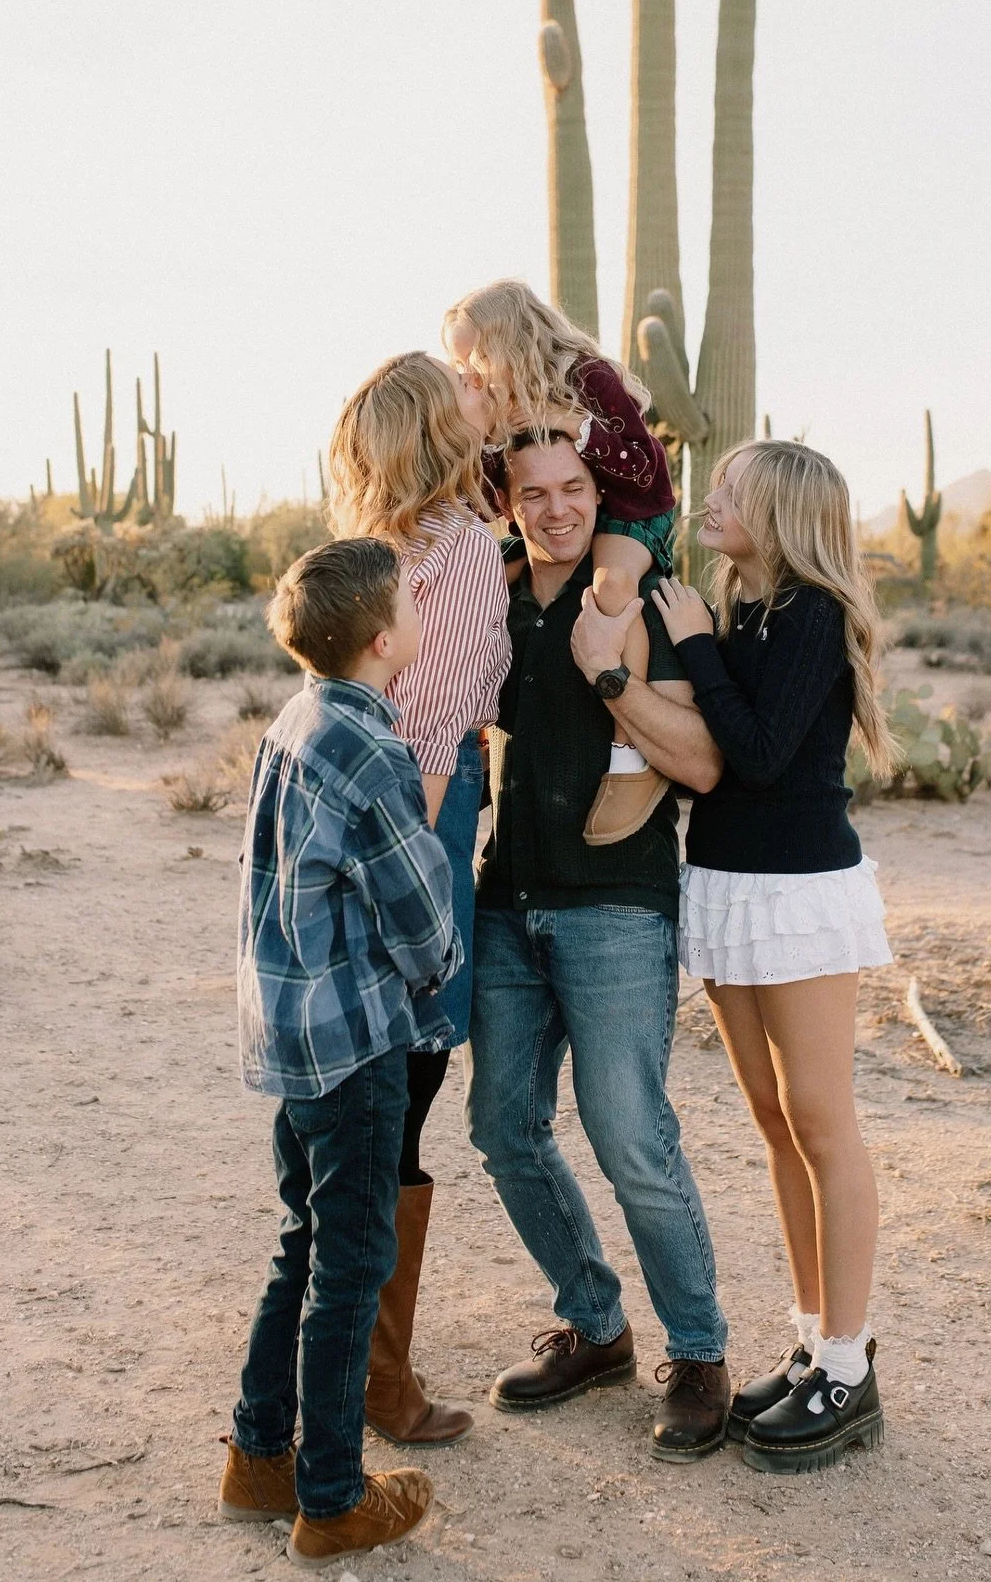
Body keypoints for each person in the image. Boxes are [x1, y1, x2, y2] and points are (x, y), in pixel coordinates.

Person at [463, 427, 733, 1462]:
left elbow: (705, 763)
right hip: (506, 899)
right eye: (534, 491)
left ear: (600, 493)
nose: (557, 507)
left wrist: (608, 678)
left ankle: (699, 1351)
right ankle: (597, 1326)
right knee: (503, 1124)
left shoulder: (646, 597)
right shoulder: (492, 592)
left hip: (617, 902)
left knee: (629, 1136)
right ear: (512, 501)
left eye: (574, 487)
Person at [649, 439, 897, 1475]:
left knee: (822, 1123)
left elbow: (749, 757)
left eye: (731, 494)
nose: (710, 503)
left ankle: (849, 1366)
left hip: (799, 893)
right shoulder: (748, 611)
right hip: (729, 884)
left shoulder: (808, 617)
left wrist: (695, 647)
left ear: (783, 514)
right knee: (772, 1122)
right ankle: (809, 1340)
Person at [218, 537, 460, 1566]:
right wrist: (441, 964)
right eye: (410, 602)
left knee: (303, 1244)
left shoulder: (297, 717)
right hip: (357, 1046)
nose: (417, 614)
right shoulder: (373, 748)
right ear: (381, 640)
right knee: (352, 1267)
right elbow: (419, 916)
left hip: (290, 1034)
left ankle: (258, 1454)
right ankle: (330, 1499)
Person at [326, 351, 510, 1446]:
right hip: (420, 814)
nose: (481, 403)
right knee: (412, 1075)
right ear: (441, 435)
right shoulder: (465, 547)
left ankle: (352, 1366)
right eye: (465, 399)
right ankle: (377, 1385)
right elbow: (436, 726)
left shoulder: (367, 551)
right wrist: (426, 893)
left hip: (347, 816)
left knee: (372, 1095)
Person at [443, 278, 678, 845]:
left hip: (631, 509)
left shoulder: (585, 377)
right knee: (487, 581)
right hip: (572, 512)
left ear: (504, 339)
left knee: (612, 585)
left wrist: (577, 427)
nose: (469, 372)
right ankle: (468, 728)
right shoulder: (506, 402)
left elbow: (641, 465)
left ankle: (629, 759)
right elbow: (498, 496)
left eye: (471, 357)